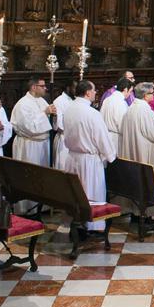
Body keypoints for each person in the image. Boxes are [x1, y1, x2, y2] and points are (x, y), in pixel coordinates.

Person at [63, 81, 116, 233]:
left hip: (73, 157)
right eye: (93, 91)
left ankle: (77, 222)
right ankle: (91, 226)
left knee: (77, 194)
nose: (95, 93)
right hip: (89, 160)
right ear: (87, 93)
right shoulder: (92, 113)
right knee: (91, 194)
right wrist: (110, 156)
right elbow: (102, 138)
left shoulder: (69, 109)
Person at [118, 82, 154, 225]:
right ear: (146, 96)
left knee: (137, 183)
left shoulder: (131, 109)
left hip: (134, 152)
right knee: (147, 182)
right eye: (152, 93)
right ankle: (145, 215)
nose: (153, 96)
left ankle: (136, 213)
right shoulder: (145, 110)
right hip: (145, 153)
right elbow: (153, 133)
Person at [10, 77, 55, 214]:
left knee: (41, 178)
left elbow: (47, 121)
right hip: (29, 145)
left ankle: (42, 206)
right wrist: (45, 113)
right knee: (29, 178)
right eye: (42, 86)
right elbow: (28, 127)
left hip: (42, 144)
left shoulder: (41, 100)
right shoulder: (23, 104)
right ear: (34, 87)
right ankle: (27, 208)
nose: (45, 88)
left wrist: (53, 114)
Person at [101, 77, 133, 157]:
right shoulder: (120, 103)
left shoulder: (107, 100)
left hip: (106, 137)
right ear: (125, 89)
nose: (130, 94)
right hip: (116, 140)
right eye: (130, 91)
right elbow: (122, 125)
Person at [51, 79, 78, 172]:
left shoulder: (75, 100)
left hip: (74, 139)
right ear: (68, 88)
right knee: (62, 168)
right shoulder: (59, 101)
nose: (76, 91)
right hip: (63, 140)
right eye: (75, 88)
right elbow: (59, 125)